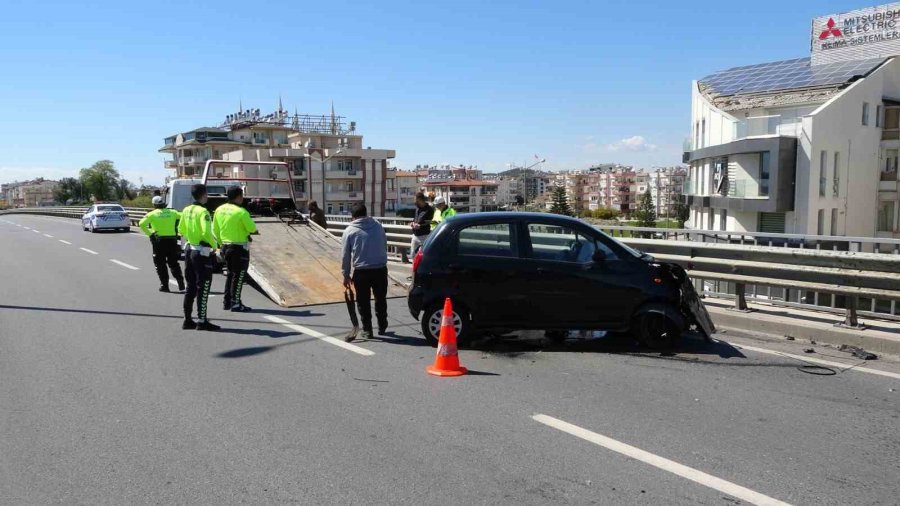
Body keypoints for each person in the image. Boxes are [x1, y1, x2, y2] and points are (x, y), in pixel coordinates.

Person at [341, 203, 388, 342]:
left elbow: (345, 255)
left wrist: (346, 274)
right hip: (380, 268)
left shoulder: (349, 231)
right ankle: (382, 325)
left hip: (362, 271)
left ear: (353, 216)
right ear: (366, 214)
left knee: (363, 302)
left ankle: (368, 330)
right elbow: (384, 243)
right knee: (381, 298)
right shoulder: (378, 226)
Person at [178, 184, 220, 331]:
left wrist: (191, 237)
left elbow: (181, 229)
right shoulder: (204, 212)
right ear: (204, 194)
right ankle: (202, 321)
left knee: (190, 287)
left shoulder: (186, 209)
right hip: (201, 253)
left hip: (189, 250)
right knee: (203, 287)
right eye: (207, 193)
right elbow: (207, 232)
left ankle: (187, 320)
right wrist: (215, 246)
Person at [213, 187, 258, 312]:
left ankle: (227, 301)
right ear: (239, 197)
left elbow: (214, 230)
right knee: (238, 277)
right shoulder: (241, 211)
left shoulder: (219, 209)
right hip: (239, 248)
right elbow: (252, 228)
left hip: (225, 246)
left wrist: (221, 243)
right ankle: (236, 303)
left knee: (230, 274)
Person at [138, 196, 185, 293]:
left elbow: (141, 223)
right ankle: (180, 282)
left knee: (160, 264)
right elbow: (184, 216)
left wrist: (150, 234)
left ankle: (165, 285)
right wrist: (181, 229)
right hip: (172, 240)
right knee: (173, 262)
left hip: (159, 241)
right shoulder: (173, 212)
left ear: (154, 205)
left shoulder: (152, 214)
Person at [410, 192, 434, 257]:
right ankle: (415, 267)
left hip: (424, 236)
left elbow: (429, 222)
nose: (414, 202)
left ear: (420, 200)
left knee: (424, 255)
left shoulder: (429, 209)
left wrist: (420, 226)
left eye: (416, 200)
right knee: (413, 254)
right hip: (415, 235)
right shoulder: (417, 208)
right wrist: (412, 223)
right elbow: (415, 218)